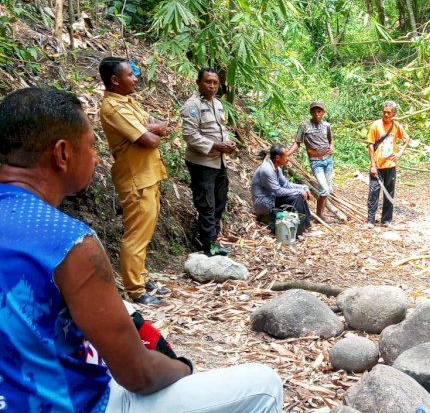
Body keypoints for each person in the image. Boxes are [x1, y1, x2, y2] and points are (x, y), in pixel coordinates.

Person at [0, 87, 283, 412]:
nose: (96, 157)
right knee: (265, 386)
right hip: (76, 403)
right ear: (62, 154)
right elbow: (139, 375)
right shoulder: (68, 241)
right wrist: (184, 367)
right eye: (92, 146)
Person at [99, 56, 169, 306]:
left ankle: (142, 276)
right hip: (136, 178)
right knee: (136, 235)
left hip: (148, 175)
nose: (135, 78)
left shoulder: (127, 101)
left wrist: (153, 129)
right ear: (115, 80)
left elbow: (154, 127)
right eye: (130, 75)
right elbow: (149, 138)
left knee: (145, 230)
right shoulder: (114, 108)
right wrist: (153, 131)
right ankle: (135, 289)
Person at [180, 67, 236, 257]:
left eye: (215, 83)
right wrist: (215, 145)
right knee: (207, 205)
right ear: (198, 83)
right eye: (208, 82)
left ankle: (213, 240)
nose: (212, 86)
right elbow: (190, 135)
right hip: (202, 163)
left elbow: (222, 128)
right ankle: (208, 246)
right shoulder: (192, 106)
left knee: (220, 202)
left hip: (219, 162)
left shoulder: (218, 104)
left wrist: (227, 143)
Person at [251, 144, 312, 237]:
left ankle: (305, 226)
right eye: (286, 156)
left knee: (298, 195)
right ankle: (299, 228)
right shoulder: (267, 170)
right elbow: (278, 191)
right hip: (263, 202)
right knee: (297, 196)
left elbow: (286, 185)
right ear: (278, 158)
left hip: (272, 197)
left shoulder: (277, 168)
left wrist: (302, 187)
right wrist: (299, 191)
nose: (288, 158)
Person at [366, 100, 411, 227]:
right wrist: (373, 165)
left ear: (393, 114)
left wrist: (400, 153)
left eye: (389, 113)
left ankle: (386, 220)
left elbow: (406, 139)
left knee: (389, 193)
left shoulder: (396, 126)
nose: (386, 115)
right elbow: (370, 145)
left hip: (390, 165)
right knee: (374, 192)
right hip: (378, 166)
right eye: (384, 112)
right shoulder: (375, 125)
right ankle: (370, 220)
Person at [289, 101, 334, 221]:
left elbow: (330, 140)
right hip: (316, 162)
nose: (317, 113)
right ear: (310, 112)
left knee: (328, 189)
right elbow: (297, 143)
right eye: (314, 111)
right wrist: (287, 154)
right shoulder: (304, 125)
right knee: (324, 189)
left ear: (323, 112)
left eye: (319, 111)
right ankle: (319, 215)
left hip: (328, 160)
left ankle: (320, 213)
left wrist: (332, 147)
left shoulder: (327, 126)